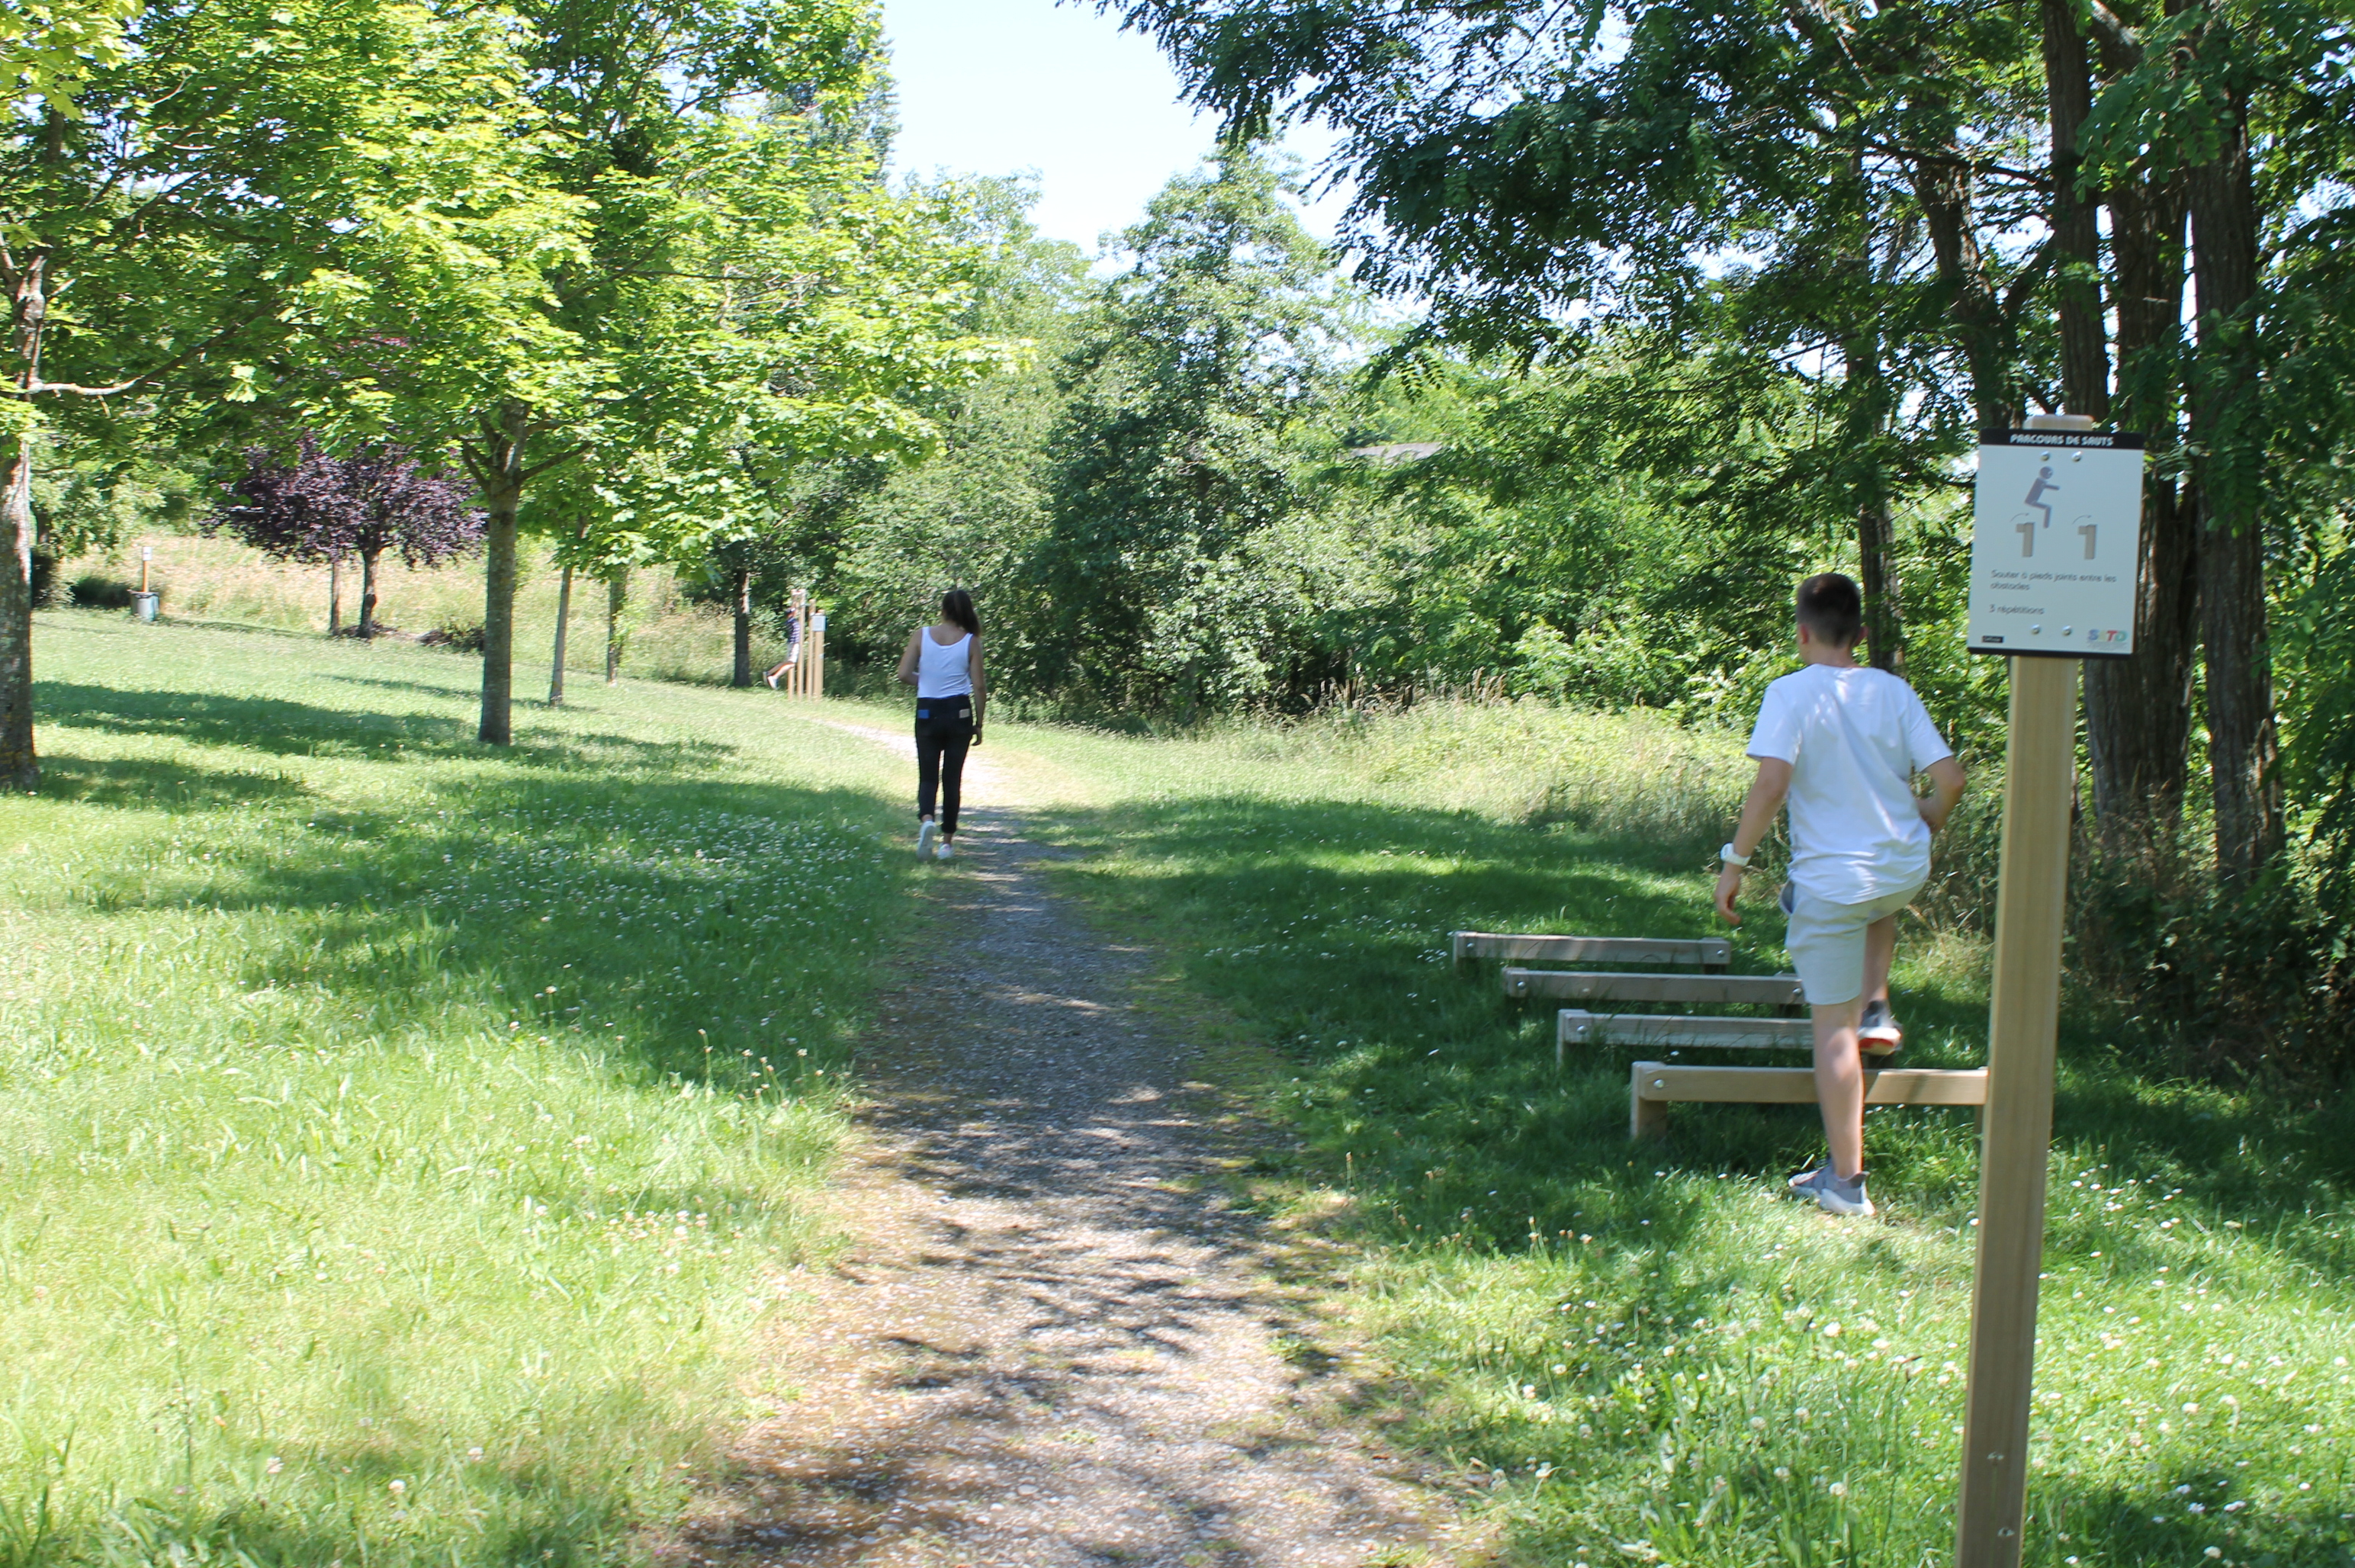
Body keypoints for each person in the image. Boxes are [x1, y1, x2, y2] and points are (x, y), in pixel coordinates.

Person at [1714, 573, 1966, 1216]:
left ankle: (1846, 1182)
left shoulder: (1789, 693)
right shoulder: (1894, 690)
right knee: (1874, 899)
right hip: (1901, 867)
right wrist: (1929, 818)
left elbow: (1772, 782)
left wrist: (1735, 863)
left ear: (1802, 633)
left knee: (1832, 1030)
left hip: (1833, 882)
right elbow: (1951, 778)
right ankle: (1877, 1005)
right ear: (1862, 635)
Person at [896, 589, 985, 861]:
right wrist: (979, 723)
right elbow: (979, 686)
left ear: (943, 609)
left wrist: (924, 681)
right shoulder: (971, 641)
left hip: (927, 710)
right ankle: (947, 843)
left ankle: (926, 821)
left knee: (927, 776)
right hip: (958, 712)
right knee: (952, 779)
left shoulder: (921, 635)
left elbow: (902, 674)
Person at [762, 609, 802, 689]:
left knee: (786, 663)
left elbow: (794, 609)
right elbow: (794, 611)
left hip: (791, 643)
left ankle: (768, 673)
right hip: (794, 644)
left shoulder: (789, 621)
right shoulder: (792, 621)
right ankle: (774, 677)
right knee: (791, 664)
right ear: (791, 614)